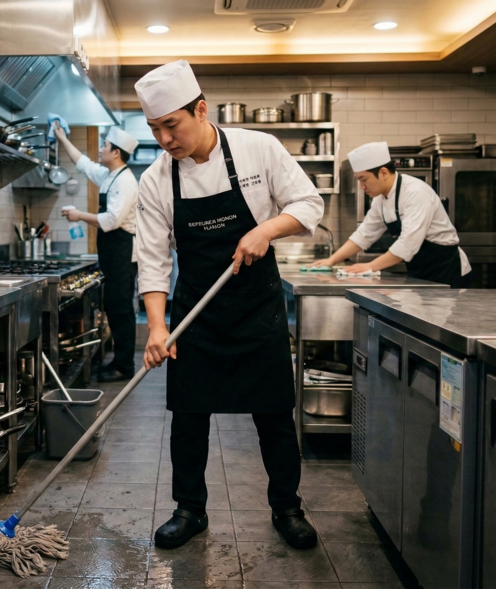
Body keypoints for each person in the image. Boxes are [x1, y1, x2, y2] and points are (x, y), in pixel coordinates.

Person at [134, 60, 324, 550]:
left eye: (171, 125)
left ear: (200, 109)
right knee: (189, 416)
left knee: (275, 414)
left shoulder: (257, 148)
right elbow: (153, 262)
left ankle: (287, 508)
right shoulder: (156, 180)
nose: (165, 139)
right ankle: (189, 510)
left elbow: (308, 204)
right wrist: (157, 327)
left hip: (257, 306)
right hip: (197, 310)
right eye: (155, 129)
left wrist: (265, 230)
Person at [309, 141, 472, 287]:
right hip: (420, 272)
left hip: (447, 271)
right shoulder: (381, 199)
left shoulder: (416, 193)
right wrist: (331, 261)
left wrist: (369, 266)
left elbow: (408, 244)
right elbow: (363, 235)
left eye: (363, 179)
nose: (361, 186)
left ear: (384, 173)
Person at [54, 123, 141, 382]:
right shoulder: (108, 175)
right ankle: (119, 361)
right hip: (113, 254)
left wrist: (78, 215)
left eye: (104, 145)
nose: (100, 149)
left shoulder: (126, 181)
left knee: (121, 309)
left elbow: (113, 220)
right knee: (114, 307)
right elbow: (82, 163)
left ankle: (124, 366)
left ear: (116, 152)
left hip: (124, 254)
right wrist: (61, 137)